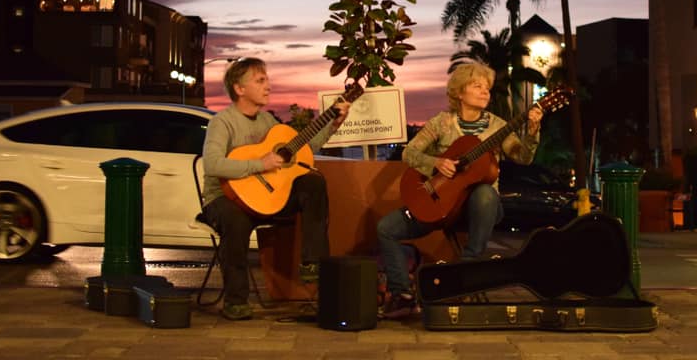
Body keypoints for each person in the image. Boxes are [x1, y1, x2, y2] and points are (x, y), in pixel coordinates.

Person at [376, 63, 543, 319]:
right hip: (442, 204)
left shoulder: (498, 126)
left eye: (487, 87)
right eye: (477, 86)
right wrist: (436, 163)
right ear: (459, 93)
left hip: (479, 209)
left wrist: (532, 132)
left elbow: (522, 157)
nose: (485, 91)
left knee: (484, 193)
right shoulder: (441, 123)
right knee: (386, 229)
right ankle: (402, 295)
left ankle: (466, 271)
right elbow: (410, 153)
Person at [200, 57, 350, 321]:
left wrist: (333, 124)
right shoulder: (222, 122)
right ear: (239, 88)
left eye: (266, 79)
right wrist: (260, 163)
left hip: (266, 198)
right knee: (235, 222)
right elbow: (212, 164)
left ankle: (313, 262)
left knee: (313, 182)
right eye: (260, 80)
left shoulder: (268, 121)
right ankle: (235, 301)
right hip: (224, 198)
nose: (268, 86)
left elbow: (303, 149)